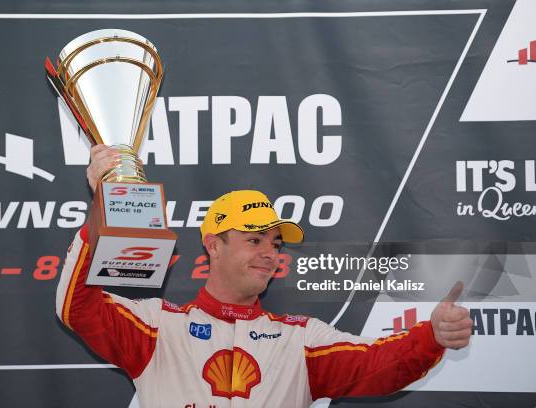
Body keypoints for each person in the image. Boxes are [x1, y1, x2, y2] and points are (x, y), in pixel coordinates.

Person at [56, 145, 473, 408]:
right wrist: (104, 205)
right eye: (254, 241)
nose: (270, 254)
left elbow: (379, 367)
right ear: (213, 245)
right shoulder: (158, 327)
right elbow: (77, 308)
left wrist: (431, 335)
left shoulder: (303, 339)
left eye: (275, 244)